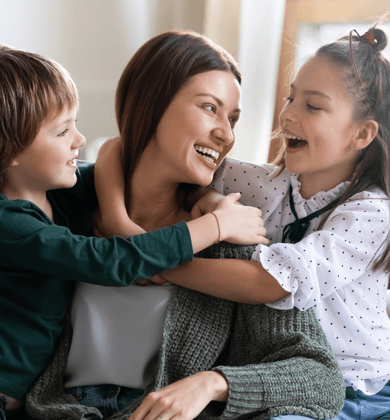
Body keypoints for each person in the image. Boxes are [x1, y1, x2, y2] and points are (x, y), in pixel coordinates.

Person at [20, 30, 344, 420]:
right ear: (152, 103)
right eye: (210, 107)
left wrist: (211, 383)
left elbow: (322, 378)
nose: (226, 133)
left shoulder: (228, 239)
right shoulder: (65, 209)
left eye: (234, 119)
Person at [109, 26, 389, 420]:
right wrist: (203, 202)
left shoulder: (372, 214)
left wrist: (157, 261)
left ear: (362, 133)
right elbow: (130, 151)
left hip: (351, 388)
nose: (287, 113)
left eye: (313, 106)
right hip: (270, 373)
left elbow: (269, 283)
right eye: (291, 96)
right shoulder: (266, 184)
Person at [0, 45, 264, 419]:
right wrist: (215, 225)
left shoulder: (58, 194)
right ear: (6, 149)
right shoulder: (4, 220)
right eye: (62, 131)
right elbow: (111, 261)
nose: (78, 139)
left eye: (234, 118)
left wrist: (205, 202)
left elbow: (113, 152)